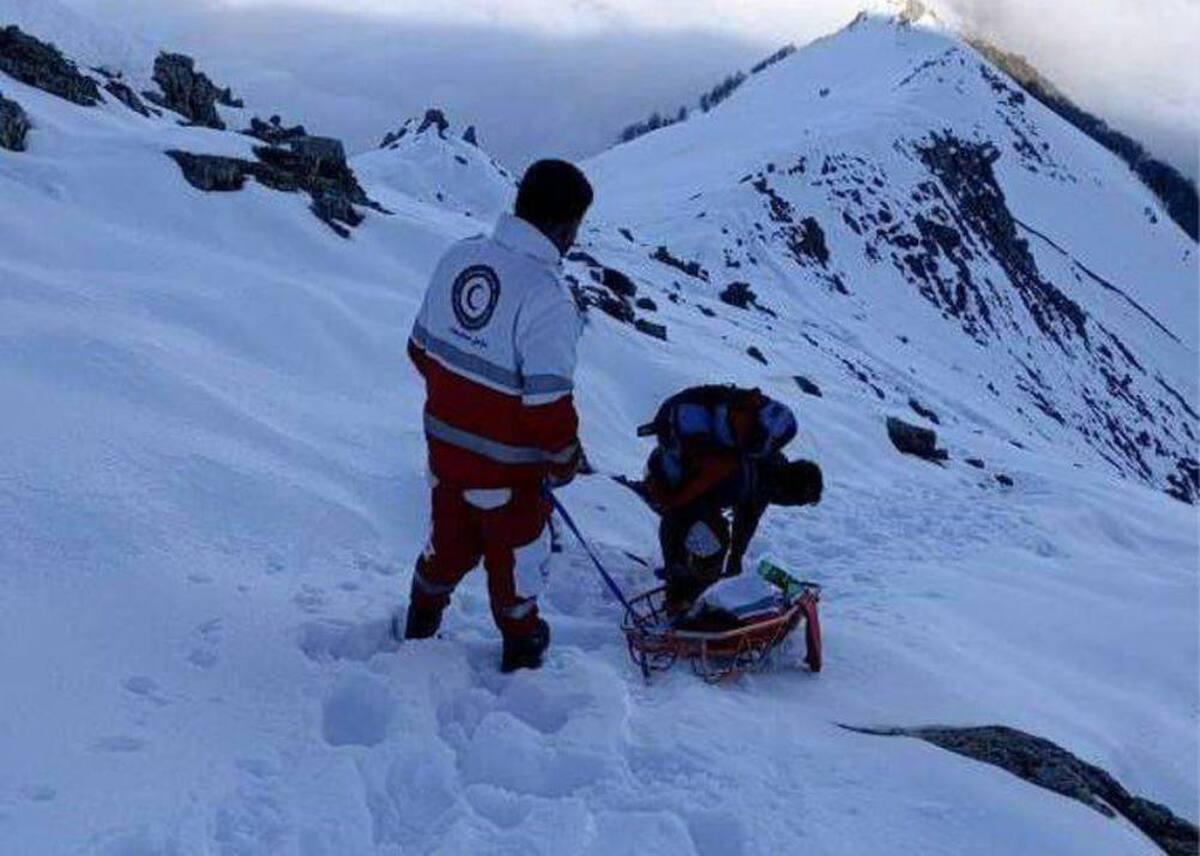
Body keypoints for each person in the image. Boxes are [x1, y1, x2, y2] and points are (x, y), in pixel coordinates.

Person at [403, 159, 593, 672]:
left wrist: (459, 405)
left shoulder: (457, 256)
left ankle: (419, 624)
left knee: (446, 546)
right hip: (511, 474)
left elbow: (419, 351)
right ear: (567, 225)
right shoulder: (549, 297)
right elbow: (548, 406)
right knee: (518, 562)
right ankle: (521, 645)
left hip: (445, 456)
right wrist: (564, 459)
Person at [638, 385, 823, 611]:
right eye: (797, 501)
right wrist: (732, 562)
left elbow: (746, 521)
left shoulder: (766, 461)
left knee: (711, 541)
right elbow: (741, 520)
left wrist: (734, 561)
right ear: (793, 491)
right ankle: (684, 603)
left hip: (685, 487)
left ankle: (690, 593)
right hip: (681, 490)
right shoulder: (762, 477)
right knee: (712, 545)